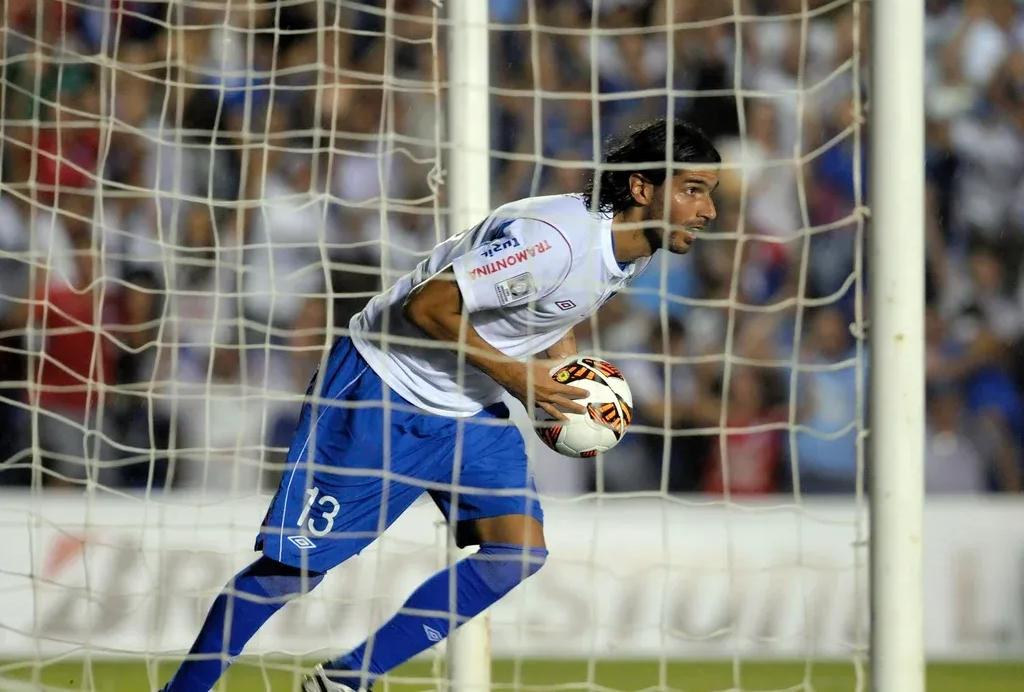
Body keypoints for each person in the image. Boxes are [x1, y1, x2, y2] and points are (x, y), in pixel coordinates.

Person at [159, 117, 720, 692]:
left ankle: (347, 680)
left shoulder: (629, 249)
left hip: (468, 405)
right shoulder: (557, 241)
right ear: (642, 188)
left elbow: (554, 308)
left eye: (710, 194)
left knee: (515, 554)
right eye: (693, 190)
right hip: (384, 388)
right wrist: (518, 378)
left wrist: (563, 379)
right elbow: (427, 306)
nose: (708, 211)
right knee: (291, 571)